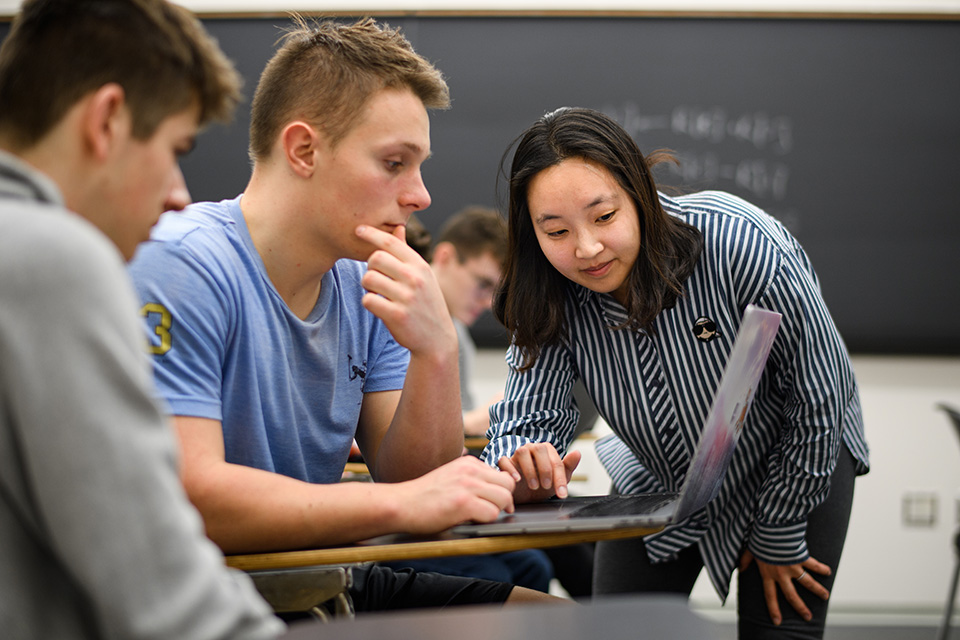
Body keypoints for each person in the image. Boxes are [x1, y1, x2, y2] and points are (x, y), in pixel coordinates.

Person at [127, 16, 563, 611]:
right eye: (393, 163)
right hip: (206, 597)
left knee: (561, 620)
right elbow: (191, 497)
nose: (420, 194)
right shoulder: (184, 264)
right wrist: (401, 505)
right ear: (304, 149)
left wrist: (435, 351)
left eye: (420, 165)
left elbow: (420, 489)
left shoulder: (366, 280)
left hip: (322, 581)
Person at [481, 107, 870, 637]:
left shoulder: (737, 242)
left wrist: (778, 529)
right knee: (620, 629)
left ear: (638, 192)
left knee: (781, 627)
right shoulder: (546, 289)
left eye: (604, 217)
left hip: (793, 457)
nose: (586, 249)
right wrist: (523, 460)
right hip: (660, 475)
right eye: (556, 231)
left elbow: (821, 391)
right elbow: (526, 418)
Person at [0, 1, 285, 638]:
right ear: (106, 121)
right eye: (175, 146)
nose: (180, 193)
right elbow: (170, 601)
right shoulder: (55, 259)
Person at [385, 207, 554, 594]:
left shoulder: (454, 335)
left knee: (532, 563)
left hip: (433, 490)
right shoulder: (392, 322)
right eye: (482, 284)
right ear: (443, 258)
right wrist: (476, 421)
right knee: (514, 573)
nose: (489, 302)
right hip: (393, 506)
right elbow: (397, 448)